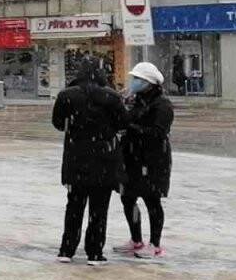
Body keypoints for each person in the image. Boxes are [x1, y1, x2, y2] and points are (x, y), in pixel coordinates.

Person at [52, 57, 129, 266]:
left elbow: (58, 123)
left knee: (74, 206)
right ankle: (95, 252)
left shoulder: (66, 95)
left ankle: (66, 249)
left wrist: (76, 128)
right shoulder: (111, 97)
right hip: (104, 159)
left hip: (76, 159)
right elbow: (123, 123)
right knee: (99, 208)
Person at [117, 62, 174, 259]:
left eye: (139, 80)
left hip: (153, 160)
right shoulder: (135, 100)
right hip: (132, 158)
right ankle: (136, 239)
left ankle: (155, 244)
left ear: (149, 83)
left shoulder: (162, 104)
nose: (134, 82)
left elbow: (158, 133)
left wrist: (131, 127)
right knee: (128, 198)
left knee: (152, 200)